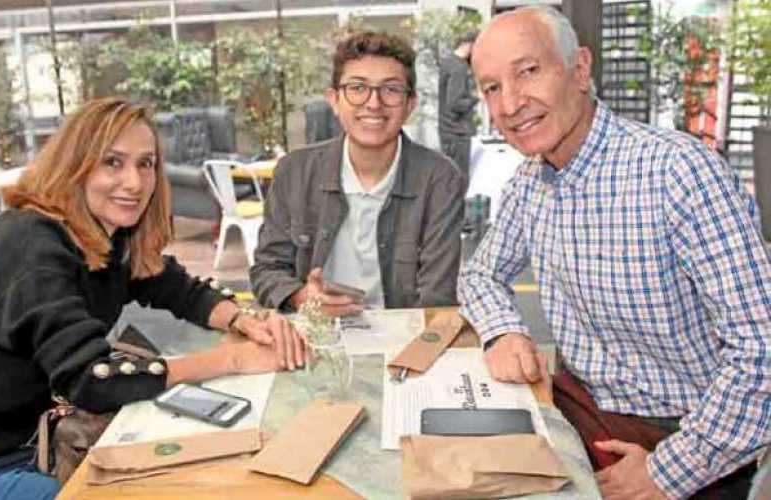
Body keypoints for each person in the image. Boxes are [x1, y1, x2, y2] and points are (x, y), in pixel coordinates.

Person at [459, 6, 771, 500]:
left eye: (528, 71)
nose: (511, 103)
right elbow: (479, 274)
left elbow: (763, 352)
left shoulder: (679, 172)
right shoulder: (528, 183)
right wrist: (503, 331)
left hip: (685, 436)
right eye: (492, 87)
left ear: (580, 69)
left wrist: (668, 471)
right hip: (578, 412)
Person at [0, 97, 306, 499]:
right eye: (112, 162)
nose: (134, 182)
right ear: (74, 164)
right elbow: (92, 381)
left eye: (146, 163)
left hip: (22, 443)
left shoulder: (104, 235)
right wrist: (233, 359)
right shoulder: (29, 242)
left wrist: (242, 320)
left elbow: (175, 287)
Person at [251, 31, 466, 317]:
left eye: (390, 89)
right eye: (357, 87)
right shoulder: (294, 171)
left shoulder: (439, 179)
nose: (373, 103)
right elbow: (267, 269)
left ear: (410, 104)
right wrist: (302, 297)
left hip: (404, 333)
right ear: (334, 99)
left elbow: (437, 296)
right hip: (315, 331)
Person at [438, 29, 479, 173]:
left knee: (449, 176)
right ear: (471, 45)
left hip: (446, 130)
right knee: (459, 177)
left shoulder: (447, 62)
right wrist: (476, 98)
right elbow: (455, 103)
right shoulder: (459, 67)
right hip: (458, 133)